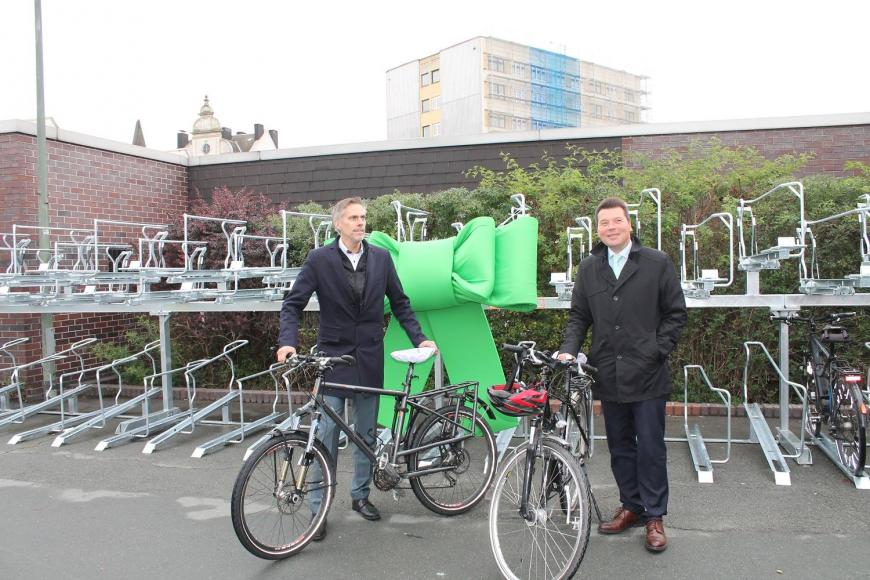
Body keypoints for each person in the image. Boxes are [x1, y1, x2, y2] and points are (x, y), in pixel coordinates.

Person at [277, 196, 436, 541]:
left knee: (365, 433)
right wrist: (287, 342)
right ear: (338, 224)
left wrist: (420, 338)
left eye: (363, 217)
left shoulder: (380, 258)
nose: (360, 223)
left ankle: (360, 496)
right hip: (333, 359)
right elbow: (292, 304)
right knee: (326, 436)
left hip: (368, 357)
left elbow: (401, 302)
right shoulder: (319, 260)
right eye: (353, 218)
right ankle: (317, 507)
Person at [558, 196, 686, 553]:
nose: (610, 228)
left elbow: (676, 314)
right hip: (608, 372)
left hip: (647, 373)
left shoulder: (656, 263)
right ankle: (631, 506)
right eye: (604, 223)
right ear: (597, 229)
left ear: (629, 224)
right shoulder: (589, 268)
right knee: (619, 447)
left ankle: (655, 516)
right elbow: (579, 317)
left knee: (650, 447)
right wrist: (569, 349)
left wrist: (655, 351)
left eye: (616, 221)